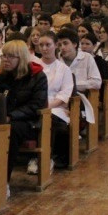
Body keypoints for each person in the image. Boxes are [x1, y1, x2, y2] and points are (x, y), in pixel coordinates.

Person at [0, 40, 48, 184]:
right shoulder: (1, 76)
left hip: (29, 123)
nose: (5, 59)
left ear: (21, 58)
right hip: (4, 119)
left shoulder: (38, 76)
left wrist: (11, 116)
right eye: (4, 55)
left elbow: (36, 105)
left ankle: (2, 182)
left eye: (10, 56)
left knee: (10, 131)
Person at [35, 31, 74, 170]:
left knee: (57, 126)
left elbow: (64, 94)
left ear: (56, 45)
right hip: (35, 106)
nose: (44, 48)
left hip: (56, 107)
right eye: (41, 45)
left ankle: (50, 158)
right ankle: (34, 157)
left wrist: (46, 106)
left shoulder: (64, 69)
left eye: (48, 45)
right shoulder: (33, 65)